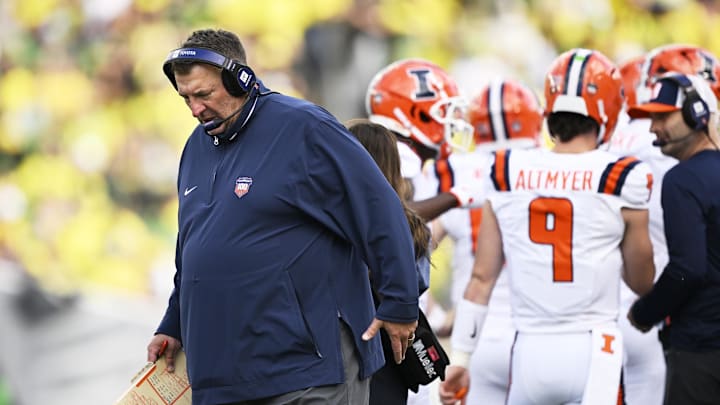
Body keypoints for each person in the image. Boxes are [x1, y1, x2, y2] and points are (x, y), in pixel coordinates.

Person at [146, 28, 421, 405]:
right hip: (223, 377)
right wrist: (173, 323)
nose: (195, 109)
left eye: (204, 94)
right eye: (186, 98)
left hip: (306, 371)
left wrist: (401, 303)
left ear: (239, 79)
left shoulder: (305, 127)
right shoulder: (196, 146)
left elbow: (379, 208)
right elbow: (192, 248)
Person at [439, 48, 656, 405]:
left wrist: (461, 358)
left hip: (528, 350)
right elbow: (640, 280)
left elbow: (481, 279)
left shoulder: (505, 169)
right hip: (594, 349)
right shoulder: (622, 175)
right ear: (608, 108)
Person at [607, 44, 720, 405]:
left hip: (698, 344)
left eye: (662, 117)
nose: (653, 129)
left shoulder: (680, 179)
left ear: (695, 112)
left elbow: (689, 269)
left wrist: (646, 311)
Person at [365, 58, 477, 405]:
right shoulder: (399, 159)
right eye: (441, 111)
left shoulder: (402, 159)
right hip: (385, 328)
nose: (450, 122)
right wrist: (455, 197)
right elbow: (392, 220)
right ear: (415, 113)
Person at [432, 78, 543, 405]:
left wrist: (437, 316)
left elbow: (413, 252)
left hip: (478, 336)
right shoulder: (553, 168)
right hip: (539, 333)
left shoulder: (453, 171)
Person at [346, 119, 433, 405]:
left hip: (345, 350)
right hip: (395, 350)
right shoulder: (412, 225)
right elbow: (418, 285)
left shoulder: (336, 223)